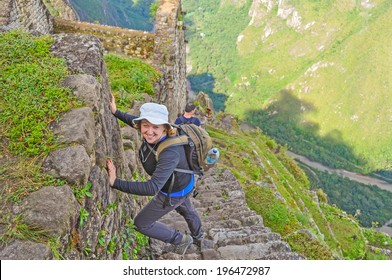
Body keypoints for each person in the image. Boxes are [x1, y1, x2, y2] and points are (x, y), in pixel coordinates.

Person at [107, 95, 204, 256]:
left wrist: (115, 182)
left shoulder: (170, 152)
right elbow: (134, 121)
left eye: (155, 127)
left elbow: (152, 187)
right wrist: (116, 112)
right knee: (187, 210)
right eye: (145, 125)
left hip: (172, 191)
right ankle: (199, 235)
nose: (149, 132)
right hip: (184, 183)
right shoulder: (150, 131)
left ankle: (180, 239)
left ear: (165, 128)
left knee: (141, 223)